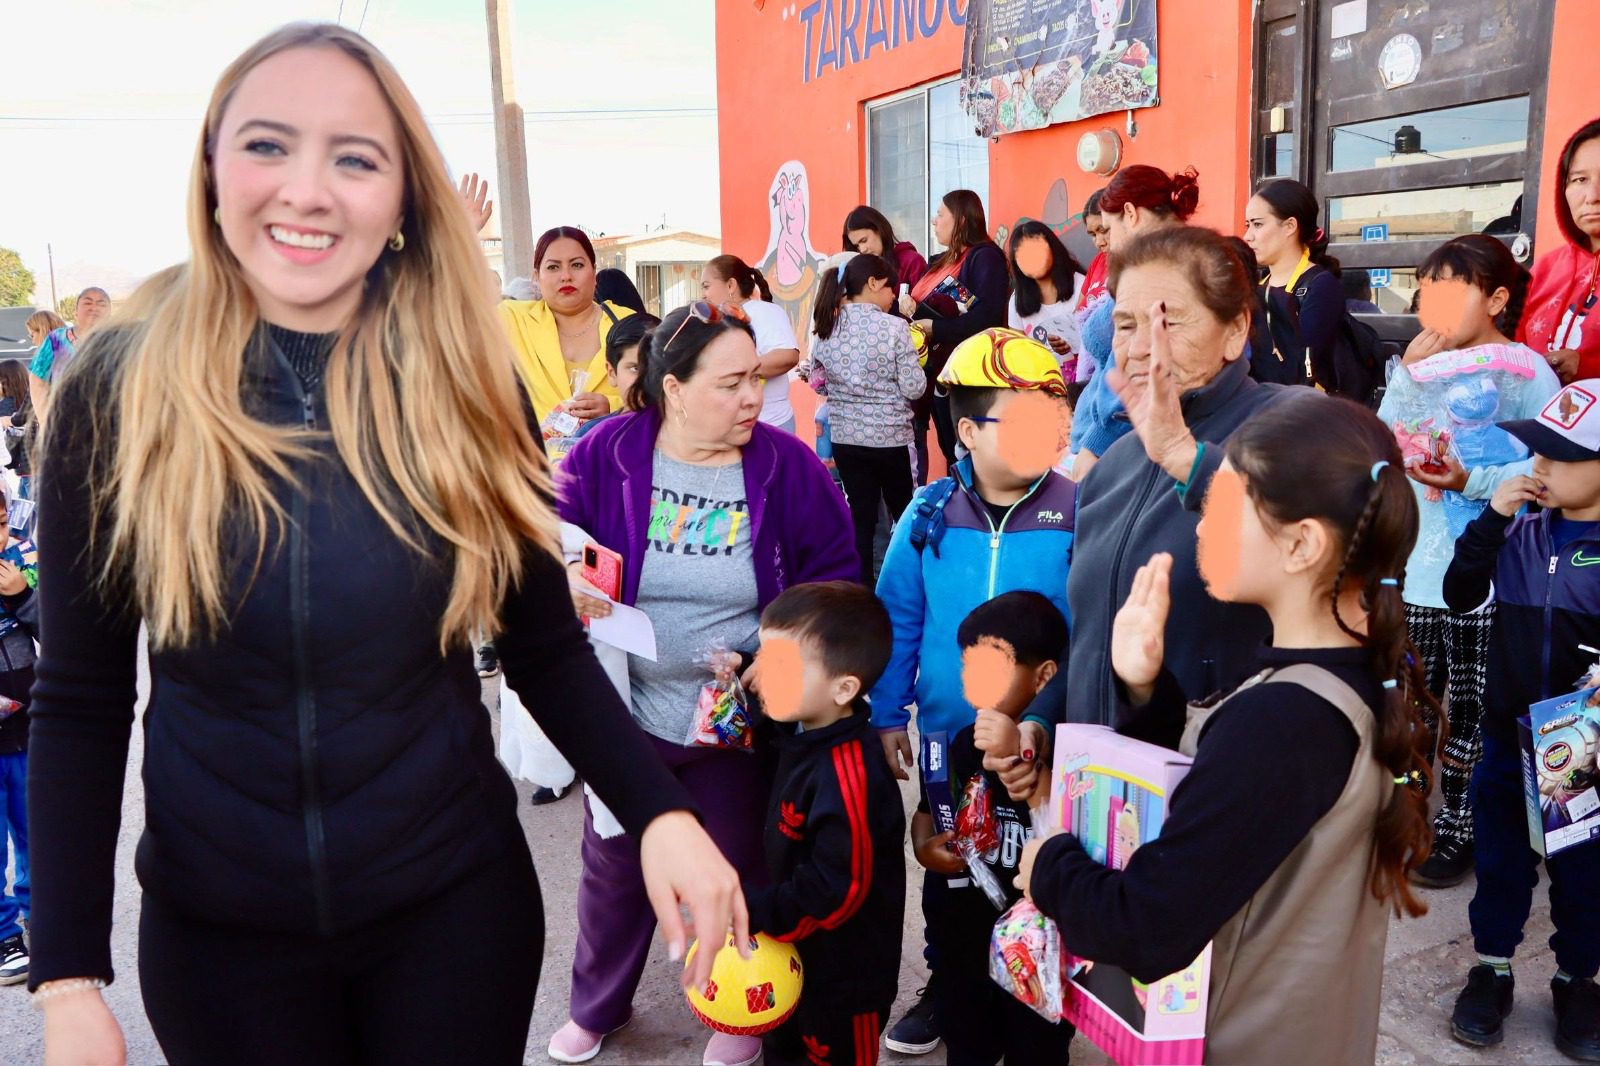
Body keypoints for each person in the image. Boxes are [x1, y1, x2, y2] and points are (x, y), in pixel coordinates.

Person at [25, 25, 746, 1065]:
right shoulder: (120, 387)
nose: (308, 190)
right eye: (269, 145)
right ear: (213, 171)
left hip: (453, 919)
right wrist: (66, 979)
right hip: (220, 945)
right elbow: (81, 700)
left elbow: (542, 644)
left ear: (401, 192)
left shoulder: (461, 375)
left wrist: (660, 814)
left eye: (354, 156)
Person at [1018, 390, 1439, 1065]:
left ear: (1302, 544)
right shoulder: (1359, 678)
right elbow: (1241, 820)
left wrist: (1049, 866)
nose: (1201, 526)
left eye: (1228, 506)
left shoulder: (1285, 720)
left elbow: (1148, 926)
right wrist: (1149, 688)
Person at [551, 302, 858, 1066]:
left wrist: (779, 658)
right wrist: (564, 580)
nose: (753, 398)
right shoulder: (605, 454)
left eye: (755, 379)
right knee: (615, 867)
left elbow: (836, 582)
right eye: (731, 384)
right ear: (673, 388)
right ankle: (599, 1004)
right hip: (628, 706)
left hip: (732, 717)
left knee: (734, 862)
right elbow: (546, 537)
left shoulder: (789, 467)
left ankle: (734, 1004)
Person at [1010, 226, 1288, 798]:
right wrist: (1043, 719)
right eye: (1126, 325)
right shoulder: (1113, 464)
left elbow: (1311, 540)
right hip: (1105, 797)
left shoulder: (1290, 426)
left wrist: (1184, 456)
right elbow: (1097, 628)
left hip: (1223, 795)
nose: (1140, 347)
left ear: (1235, 331)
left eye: (1168, 322)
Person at [871, 329, 1075, 1057]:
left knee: (1039, 883)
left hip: (1039, 755)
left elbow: (1085, 635)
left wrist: (1053, 729)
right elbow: (898, 615)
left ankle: (1039, 1001)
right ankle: (950, 988)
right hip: (945, 749)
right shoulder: (927, 517)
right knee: (950, 874)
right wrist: (889, 712)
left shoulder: (1076, 514)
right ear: (966, 431)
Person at [1376, 234, 1560, 888]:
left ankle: (1461, 829)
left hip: (1492, 579)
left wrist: (1470, 483)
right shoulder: (1419, 368)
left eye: (1455, 289)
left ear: (1498, 298)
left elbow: (1543, 466)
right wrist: (1403, 380)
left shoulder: (1527, 372)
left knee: (1475, 713)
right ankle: (1406, 816)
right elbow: (1383, 446)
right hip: (1420, 575)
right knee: (1410, 711)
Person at [1443, 379, 1600, 1061]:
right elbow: (1459, 592)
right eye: (1535, 450)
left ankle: (1578, 981)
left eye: (1557, 455)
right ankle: (1492, 968)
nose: (1538, 466)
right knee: (1500, 860)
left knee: (1584, 873)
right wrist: (1490, 519)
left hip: (1579, 743)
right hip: (1508, 734)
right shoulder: (1520, 530)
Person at [742, 582, 906, 1066]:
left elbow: (839, 890)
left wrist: (756, 911)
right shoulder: (803, 731)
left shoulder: (850, 774)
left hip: (844, 981)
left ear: (844, 688)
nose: (761, 675)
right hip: (794, 960)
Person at [910, 591, 1070, 1065]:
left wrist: (1023, 762)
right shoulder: (962, 743)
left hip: (1035, 951)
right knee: (967, 1043)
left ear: (1044, 677)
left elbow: (1070, 828)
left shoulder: (1068, 754)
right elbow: (929, 809)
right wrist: (925, 847)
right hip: (964, 942)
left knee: (1036, 1050)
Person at [1068, 165, 1201, 479]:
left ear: (1130, 213)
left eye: (1110, 229)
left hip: (1123, 451)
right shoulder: (1185, 257)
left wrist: (1093, 449)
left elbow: (1134, 364)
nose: (1108, 242)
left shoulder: (1160, 268)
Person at [809, 253, 925, 584]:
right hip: (891, 440)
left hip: (847, 440)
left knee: (861, 517)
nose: (894, 297)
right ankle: (907, 582)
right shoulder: (895, 327)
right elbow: (915, 388)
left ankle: (860, 590)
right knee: (904, 513)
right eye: (891, 288)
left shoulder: (826, 329)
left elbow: (818, 380)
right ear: (873, 283)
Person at [899, 190, 1010, 471]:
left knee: (967, 452)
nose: (934, 222)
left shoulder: (984, 257)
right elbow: (949, 303)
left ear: (960, 220)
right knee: (951, 451)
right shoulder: (941, 260)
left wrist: (934, 327)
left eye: (940, 214)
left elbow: (986, 317)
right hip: (937, 371)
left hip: (968, 375)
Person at [498, 226, 636, 435]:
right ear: (536, 276)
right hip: (533, 463)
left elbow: (664, 395)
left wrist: (616, 407)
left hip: (612, 460)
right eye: (553, 267)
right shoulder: (512, 319)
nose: (566, 276)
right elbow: (447, 327)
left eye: (577, 265)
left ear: (594, 272)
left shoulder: (628, 323)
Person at [1243, 178, 1356, 392]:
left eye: (1257, 224)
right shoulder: (1258, 286)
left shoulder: (1320, 287)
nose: (1247, 236)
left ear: (1289, 226)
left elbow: (1308, 372)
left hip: (1303, 415)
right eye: (1247, 225)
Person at [1520, 119, 1600, 385]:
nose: (1592, 196)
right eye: (1579, 179)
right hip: (1538, 423)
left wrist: (1586, 366)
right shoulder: (1545, 270)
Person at [0, 488, 38, 987]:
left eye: (3, 522)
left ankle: (40, 911)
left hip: (28, 726)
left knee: (35, 829)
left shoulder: (22, 559)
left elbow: (59, 630)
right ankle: (4, 933)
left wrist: (21, 596)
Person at [702, 254, 802, 432]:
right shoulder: (718, 321)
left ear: (731, 285)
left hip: (769, 425)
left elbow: (787, 355)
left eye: (707, 286)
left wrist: (733, 373)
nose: (704, 295)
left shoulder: (763, 311)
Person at [1006, 220, 1085, 379]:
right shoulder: (1017, 301)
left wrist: (1071, 346)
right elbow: (1018, 354)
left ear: (1052, 248)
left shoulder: (1082, 285)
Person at [573, 312, 657, 440]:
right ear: (612, 373)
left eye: (657, 366)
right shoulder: (590, 437)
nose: (647, 377)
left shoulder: (688, 434)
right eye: (635, 368)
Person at [28, 287, 109, 420]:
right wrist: (44, 420)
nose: (94, 307)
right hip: (65, 424)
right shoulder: (56, 339)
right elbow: (37, 381)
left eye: (101, 303)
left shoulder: (120, 340)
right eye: (88, 303)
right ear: (75, 312)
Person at [842, 204, 928, 294]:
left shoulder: (912, 261)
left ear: (879, 230)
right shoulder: (862, 271)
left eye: (864, 240)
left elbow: (926, 303)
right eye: (857, 246)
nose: (862, 249)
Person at [0, 360, 35, 506]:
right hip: (32, 470)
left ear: (5, 381)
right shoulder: (28, 402)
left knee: (26, 520)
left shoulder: (7, 406)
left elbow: (8, 445)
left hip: (26, 472)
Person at [1076, 188, 1111, 314]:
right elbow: (1078, 314)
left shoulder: (1138, 266)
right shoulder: (1098, 261)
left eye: (1103, 230)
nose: (1099, 242)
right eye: (1093, 234)